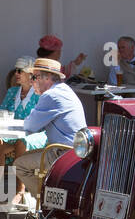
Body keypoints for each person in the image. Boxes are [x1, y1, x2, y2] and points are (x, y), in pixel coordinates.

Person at [13, 57, 87, 201]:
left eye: (33, 77)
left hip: (63, 152)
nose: (31, 81)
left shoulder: (50, 95)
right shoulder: (64, 90)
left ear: (46, 78)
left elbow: (30, 125)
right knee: (26, 158)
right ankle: (53, 196)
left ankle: (47, 203)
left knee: (19, 164)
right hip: (75, 150)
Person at [0, 56, 40, 211]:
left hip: (34, 133)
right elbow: (1, 111)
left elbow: (39, 120)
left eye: (20, 70)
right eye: (16, 70)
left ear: (30, 73)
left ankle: (19, 191)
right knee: (0, 142)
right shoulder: (12, 91)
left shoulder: (38, 92)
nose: (16, 73)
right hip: (13, 132)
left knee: (21, 142)